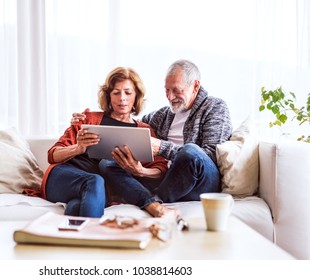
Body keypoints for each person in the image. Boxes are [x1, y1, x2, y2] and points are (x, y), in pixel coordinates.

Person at [72, 59, 233, 203]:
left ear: (195, 86)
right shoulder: (162, 115)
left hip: (201, 184)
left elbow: (210, 157)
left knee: (190, 151)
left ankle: (153, 201)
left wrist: (163, 147)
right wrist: (88, 120)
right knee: (109, 163)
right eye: (167, 90)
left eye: (176, 90)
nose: (170, 97)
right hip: (163, 180)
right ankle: (144, 198)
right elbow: (128, 127)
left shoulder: (214, 107)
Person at [42, 66, 172, 218]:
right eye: (116, 92)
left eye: (128, 92)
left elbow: (160, 169)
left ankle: (74, 236)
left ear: (136, 96)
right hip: (63, 177)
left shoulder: (144, 130)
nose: (122, 98)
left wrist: (141, 171)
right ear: (109, 96)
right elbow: (52, 155)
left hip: (96, 190)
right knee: (95, 181)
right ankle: (96, 238)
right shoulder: (89, 119)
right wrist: (78, 148)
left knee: (76, 206)